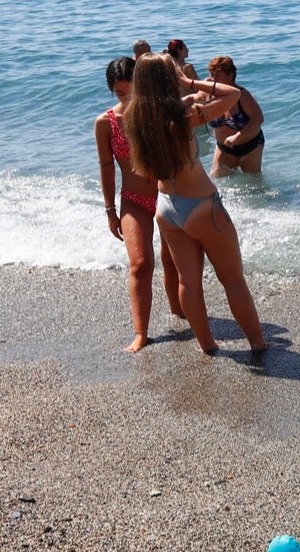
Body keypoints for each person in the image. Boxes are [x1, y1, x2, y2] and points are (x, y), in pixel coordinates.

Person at [122, 53, 269, 356]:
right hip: (201, 205)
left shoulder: (134, 119)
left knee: (189, 281)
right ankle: (257, 343)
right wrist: (187, 81)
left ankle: (208, 345)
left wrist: (187, 98)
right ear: (168, 80)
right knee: (233, 280)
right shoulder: (183, 119)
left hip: (167, 207)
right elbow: (233, 94)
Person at [93, 56, 182, 353]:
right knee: (141, 264)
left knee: (173, 262)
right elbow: (107, 167)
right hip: (133, 201)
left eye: (131, 91)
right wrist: (110, 210)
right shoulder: (105, 123)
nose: (127, 98)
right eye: (120, 93)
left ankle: (180, 312)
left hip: (166, 196)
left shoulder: (157, 115)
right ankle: (141, 333)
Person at [204, 55, 265, 176]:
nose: (213, 80)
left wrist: (237, 136)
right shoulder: (208, 92)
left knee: (254, 186)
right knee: (217, 180)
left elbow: (258, 119)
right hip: (224, 149)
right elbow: (192, 101)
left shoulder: (241, 95)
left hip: (250, 148)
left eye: (218, 76)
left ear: (230, 75)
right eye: (212, 75)